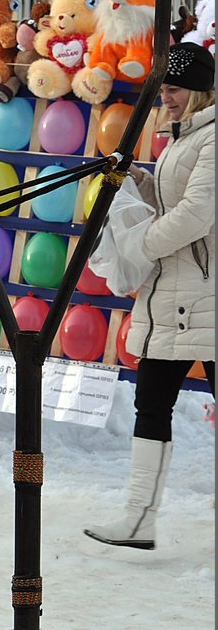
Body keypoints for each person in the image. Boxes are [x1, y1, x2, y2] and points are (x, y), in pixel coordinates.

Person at [84, 41, 215, 551]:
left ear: (201, 92)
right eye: (164, 87)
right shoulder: (182, 139)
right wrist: (135, 178)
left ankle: (140, 521)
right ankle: (139, 520)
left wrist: (142, 244)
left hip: (201, 291)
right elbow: (173, 201)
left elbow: (196, 214)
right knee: (152, 403)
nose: (167, 97)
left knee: (153, 403)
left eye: (176, 88)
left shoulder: (212, 139)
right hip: (180, 294)